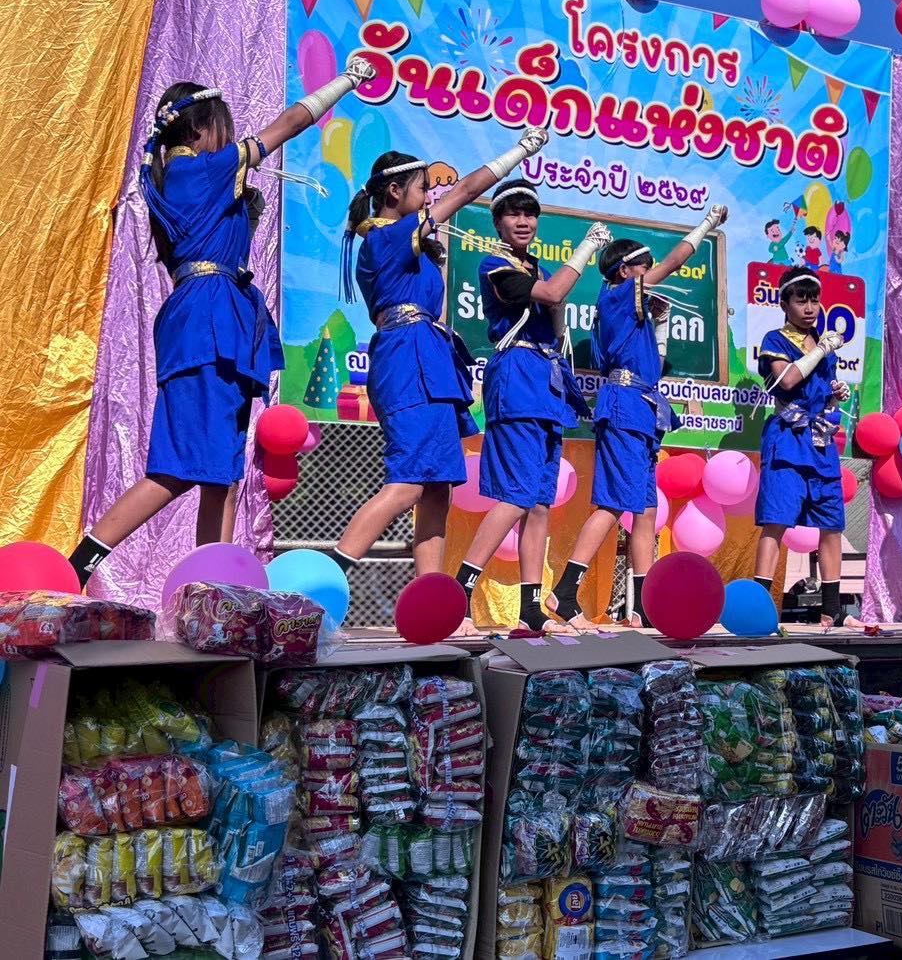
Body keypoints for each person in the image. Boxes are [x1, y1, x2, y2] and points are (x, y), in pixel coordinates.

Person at [68, 59, 377, 586]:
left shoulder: (178, 178)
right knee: (180, 467)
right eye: (222, 126)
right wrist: (347, 81)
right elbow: (290, 124)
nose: (228, 137)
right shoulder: (202, 169)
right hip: (210, 321)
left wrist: (242, 220)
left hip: (214, 316)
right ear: (201, 129)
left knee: (223, 470)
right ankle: (80, 565)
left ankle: (212, 585)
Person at [328, 129, 550, 581]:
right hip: (407, 360)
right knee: (409, 482)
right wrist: (520, 151)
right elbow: (465, 191)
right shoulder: (386, 237)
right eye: (424, 188)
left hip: (429, 359)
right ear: (395, 191)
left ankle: (430, 595)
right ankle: (320, 580)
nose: (430, 196)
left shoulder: (414, 249)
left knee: (436, 489)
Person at [545, 205, 729, 627]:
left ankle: (644, 607)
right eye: (644, 266)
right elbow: (675, 261)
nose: (650, 272)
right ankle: (565, 592)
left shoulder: (634, 311)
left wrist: (661, 327)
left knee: (644, 511)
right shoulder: (617, 295)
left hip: (643, 407)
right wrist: (706, 224)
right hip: (624, 407)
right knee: (612, 505)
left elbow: (654, 366)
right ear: (625, 271)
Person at [454, 181, 610, 628]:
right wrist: (585, 249)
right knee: (516, 496)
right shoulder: (495, 264)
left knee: (540, 503)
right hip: (517, 376)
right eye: (513, 213)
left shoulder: (536, 267)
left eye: (530, 213)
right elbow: (553, 294)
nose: (523, 221)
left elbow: (555, 317)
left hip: (547, 380)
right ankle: (459, 594)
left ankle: (530, 608)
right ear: (497, 222)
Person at [753, 266, 861, 629]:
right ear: (784, 304)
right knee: (776, 521)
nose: (810, 307)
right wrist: (822, 350)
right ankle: (759, 608)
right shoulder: (775, 339)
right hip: (787, 438)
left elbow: (821, 386)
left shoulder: (820, 341)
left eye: (814, 300)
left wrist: (836, 391)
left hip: (820, 441)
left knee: (832, 523)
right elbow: (788, 380)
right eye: (801, 301)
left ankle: (833, 609)